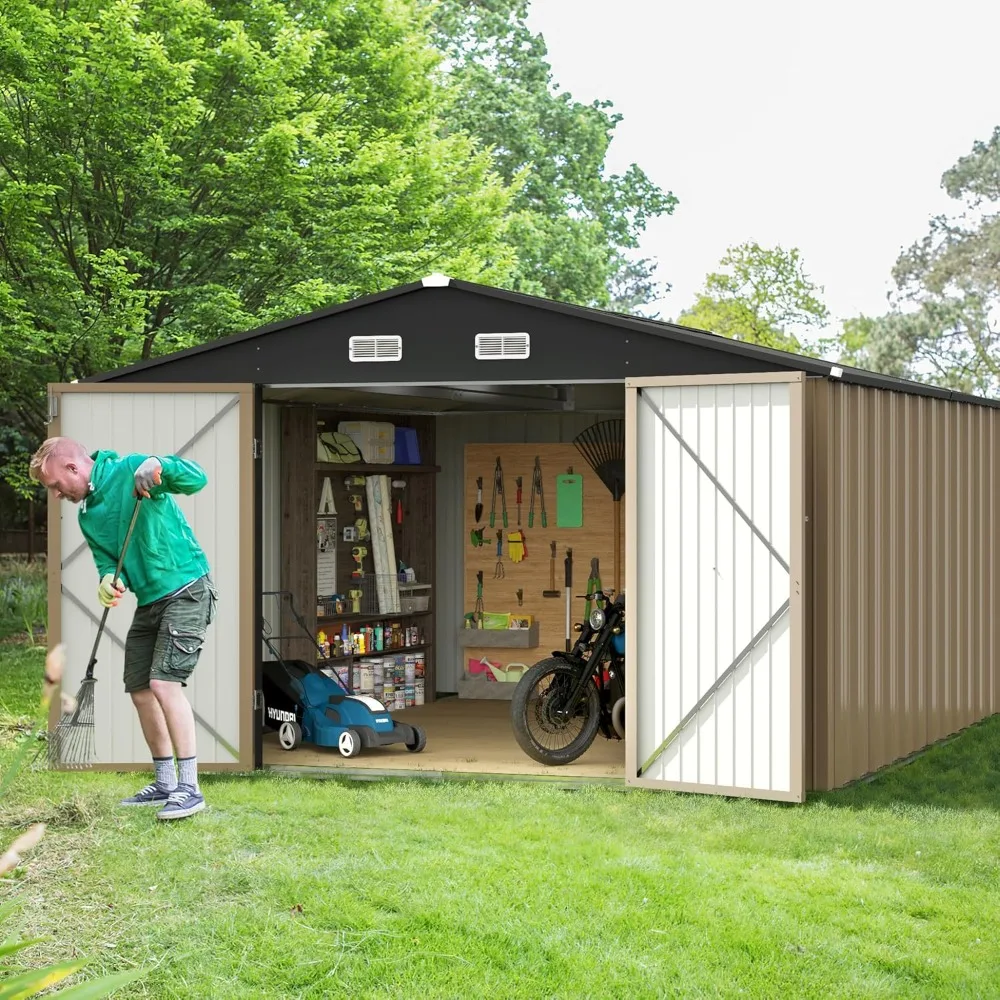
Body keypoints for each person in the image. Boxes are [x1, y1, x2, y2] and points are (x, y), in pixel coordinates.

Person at [29, 437, 217, 820]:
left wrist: (157, 463)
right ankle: (164, 782)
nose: (55, 494)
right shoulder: (87, 515)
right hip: (150, 601)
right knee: (140, 690)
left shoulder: (131, 469)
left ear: (72, 468)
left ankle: (190, 788)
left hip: (186, 589)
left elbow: (197, 480)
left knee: (164, 684)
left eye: (54, 485)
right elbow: (106, 562)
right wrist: (106, 581)